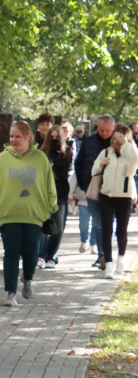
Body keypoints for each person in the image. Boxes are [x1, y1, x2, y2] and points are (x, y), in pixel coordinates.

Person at [0, 121, 57, 306]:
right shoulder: (2, 158)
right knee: (11, 252)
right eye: (11, 136)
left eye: (17, 136)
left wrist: (51, 204)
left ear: (28, 137)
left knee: (31, 251)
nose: (13, 140)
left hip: (33, 213)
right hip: (8, 213)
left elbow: (49, 183)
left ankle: (27, 279)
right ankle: (10, 293)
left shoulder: (40, 158)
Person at [93, 125, 138, 278]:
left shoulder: (130, 152)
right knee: (106, 229)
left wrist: (125, 144)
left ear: (125, 136)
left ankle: (121, 259)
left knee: (121, 231)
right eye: (114, 137)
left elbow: (136, 161)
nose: (116, 140)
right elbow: (94, 171)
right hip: (106, 195)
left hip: (124, 196)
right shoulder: (106, 152)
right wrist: (101, 164)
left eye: (119, 137)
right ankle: (109, 265)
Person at [76, 115, 116, 269]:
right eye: (101, 130)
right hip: (92, 188)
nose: (104, 133)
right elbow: (79, 163)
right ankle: (102, 255)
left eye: (107, 130)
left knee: (109, 224)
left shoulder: (119, 143)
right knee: (98, 223)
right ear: (96, 127)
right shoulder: (89, 142)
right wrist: (83, 184)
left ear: (113, 128)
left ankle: (107, 254)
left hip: (113, 190)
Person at [38, 123, 73, 268]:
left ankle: (52, 255)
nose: (54, 139)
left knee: (58, 226)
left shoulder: (67, 152)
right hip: (43, 193)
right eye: (52, 137)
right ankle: (40, 255)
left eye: (57, 137)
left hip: (60, 192)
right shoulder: (41, 152)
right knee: (43, 225)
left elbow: (64, 170)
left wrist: (58, 150)